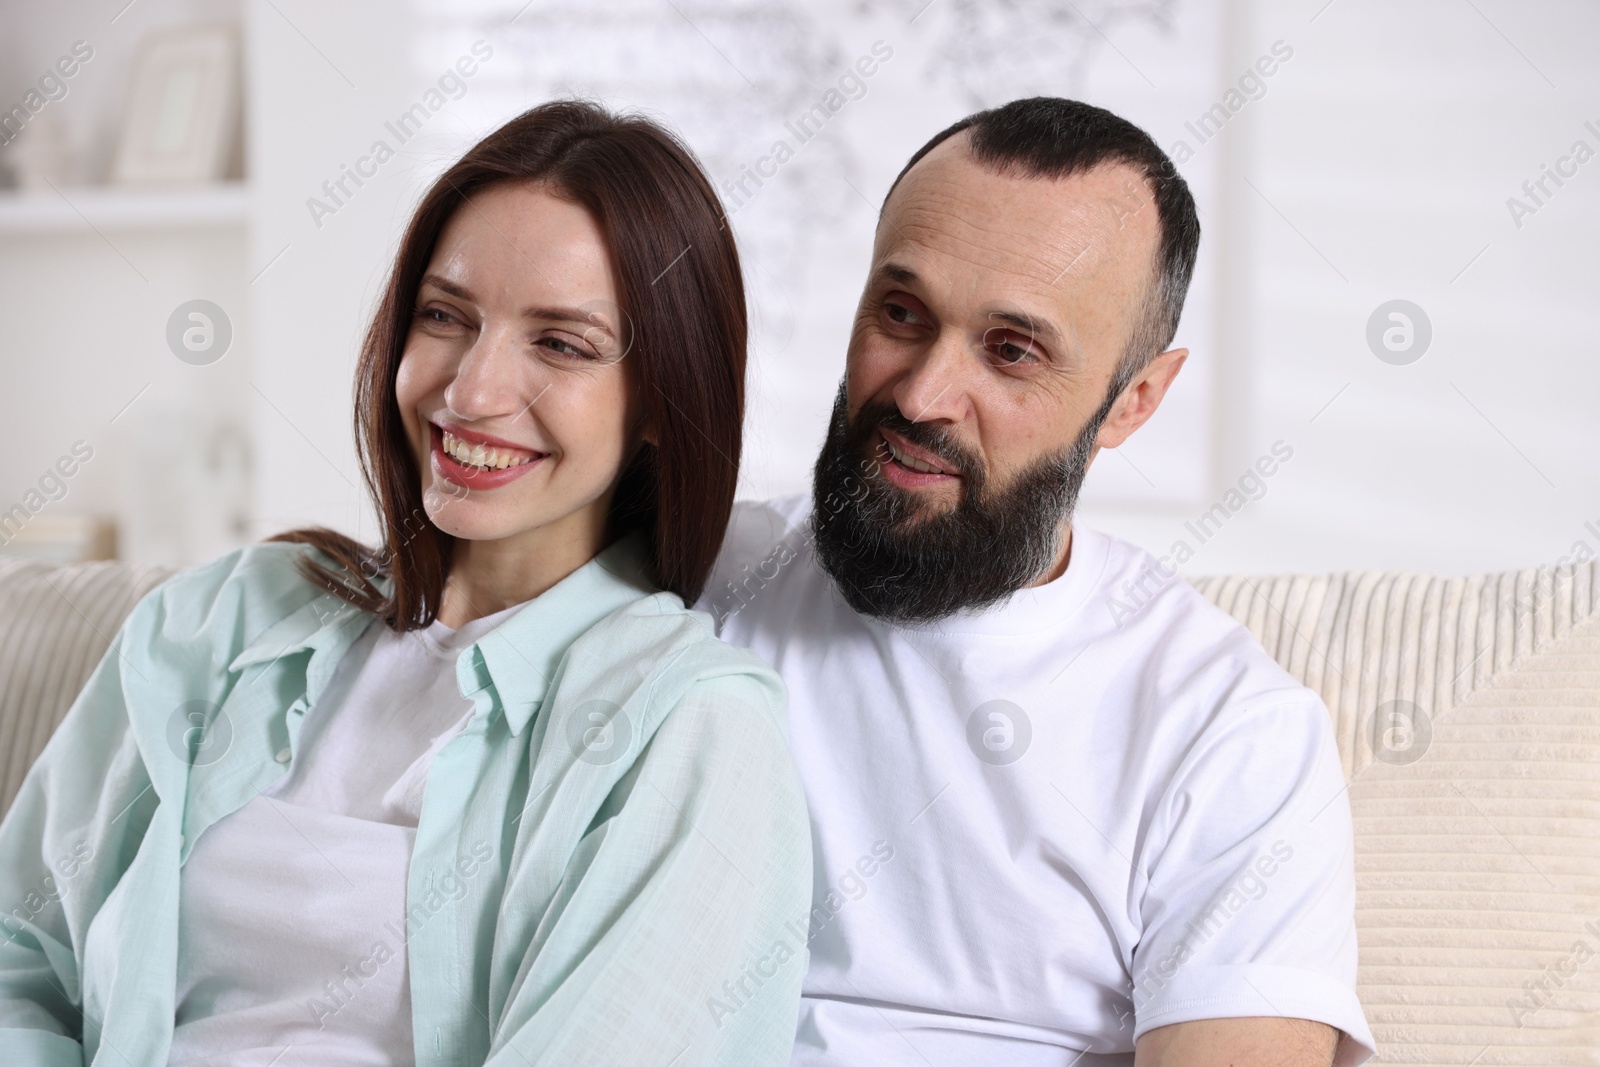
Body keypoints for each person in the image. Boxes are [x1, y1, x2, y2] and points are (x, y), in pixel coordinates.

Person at [0, 101, 811, 1066]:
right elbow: (21, 954)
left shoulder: (687, 730)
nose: (470, 391)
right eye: (444, 315)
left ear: (662, 403)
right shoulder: (218, 621)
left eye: (561, 343)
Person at [700, 97, 1377, 1065]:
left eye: (1011, 350)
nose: (923, 395)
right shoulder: (693, 576)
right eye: (902, 313)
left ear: (1132, 400)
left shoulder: (1228, 731)